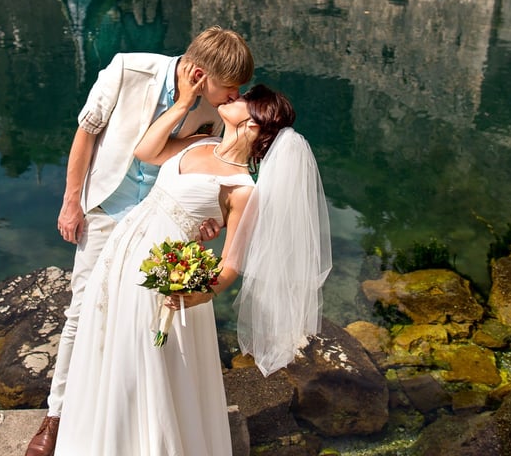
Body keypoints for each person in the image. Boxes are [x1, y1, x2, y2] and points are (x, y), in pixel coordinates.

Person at [52, 76, 332, 456]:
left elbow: (231, 264)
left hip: (161, 277)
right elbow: (146, 151)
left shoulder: (243, 189)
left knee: (139, 367)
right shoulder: (203, 141)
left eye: (246, 99)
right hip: (119, 256)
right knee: (104, 347)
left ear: (252, 123)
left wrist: (198, 295)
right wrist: (182, 103)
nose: (237, 96)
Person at [25, 27, 255, 456]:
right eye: (231, 86)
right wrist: (72, 202)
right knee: (82, 312)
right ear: (201, 74)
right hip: (107, 212)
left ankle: (135, 421)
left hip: (159, 227)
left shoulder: (216, 110)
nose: (235, 95)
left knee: (146, 324)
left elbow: (206, 172)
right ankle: (56, 418)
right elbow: (85, 134)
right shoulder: (129, 69)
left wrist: (210, 222)